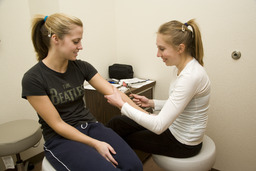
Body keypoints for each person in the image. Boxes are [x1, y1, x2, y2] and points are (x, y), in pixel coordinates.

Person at [21, 13, 143, 171]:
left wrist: (147, 117)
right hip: (60, 139)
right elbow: (58, 124)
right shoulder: (33, 78)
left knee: (135, 166)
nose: (81, 46)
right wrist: (95, 144)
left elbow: (115, 93)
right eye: (76, 41)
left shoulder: (81, 67)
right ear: (56, 39)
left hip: (91, 127)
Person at [105, 19, 211, 158]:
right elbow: (179, 104)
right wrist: (151, 103)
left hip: (183, 143)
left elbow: (159, 126)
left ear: (180, 48)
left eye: (162, 49)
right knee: (117, 123)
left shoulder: (190, 76)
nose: (158, 54)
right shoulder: (181, 69)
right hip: (172, 128)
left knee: (123, 138)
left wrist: (122, 104)